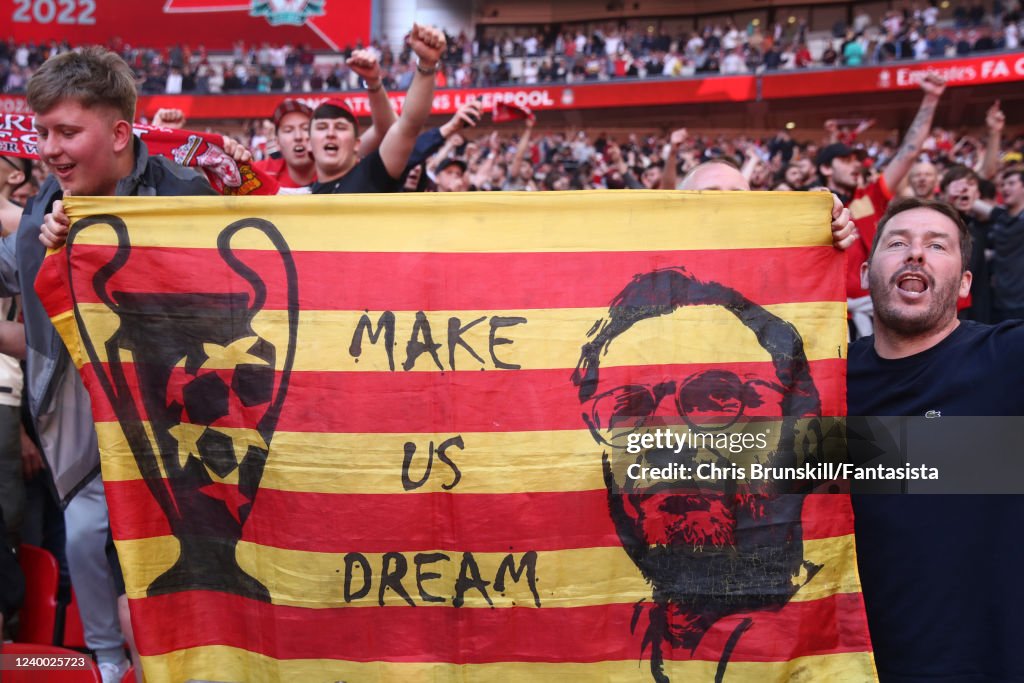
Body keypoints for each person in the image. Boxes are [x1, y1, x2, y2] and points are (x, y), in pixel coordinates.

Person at [0, 46, 217, 683]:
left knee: (174, 560)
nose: (50, 148)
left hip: (179, 421)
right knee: (84, 537)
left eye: (68, 132)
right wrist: (59, 258)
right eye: (43, 133)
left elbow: (217, 310)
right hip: (85, 417)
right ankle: (107, 665)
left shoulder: (185, 194)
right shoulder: (47, 201)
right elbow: (37, 303)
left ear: (120, 133)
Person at [572, 266, 828, 682]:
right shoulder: (589, 637)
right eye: (629, 409)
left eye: (717, 398)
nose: (665, 440)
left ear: (806, 437)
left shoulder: (860, 610)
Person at [849, 197, 1024, 681]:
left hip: (986, 663)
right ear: (865, 272)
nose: (915, 255)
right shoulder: (826, 381)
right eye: (898, 243)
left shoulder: (1008, 360)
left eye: (937, 245)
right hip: (859, 663)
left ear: (966, 283)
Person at [817, 74, 946, 337]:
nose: (856, 164)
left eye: (858, 159)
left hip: (876, 311)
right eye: (846, 159)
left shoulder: (871, 196)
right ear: (826, 168)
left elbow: (908, 153)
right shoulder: (809, 203)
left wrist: (931, 99)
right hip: (828, 315)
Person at [311, 24, 446, 194]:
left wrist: (427, 64)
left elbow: (409, 125)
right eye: (322, 127)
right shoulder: (295, 196)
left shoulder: (371, 174)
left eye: (340, 127)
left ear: (357, 144)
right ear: (309, 142)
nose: (330, 133)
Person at [971, 166, 1024, 321]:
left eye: (1012, 183)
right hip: (998, 302)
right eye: (1003, 185)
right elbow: (972, 202)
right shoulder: (1000, 217)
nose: (1005, 188)